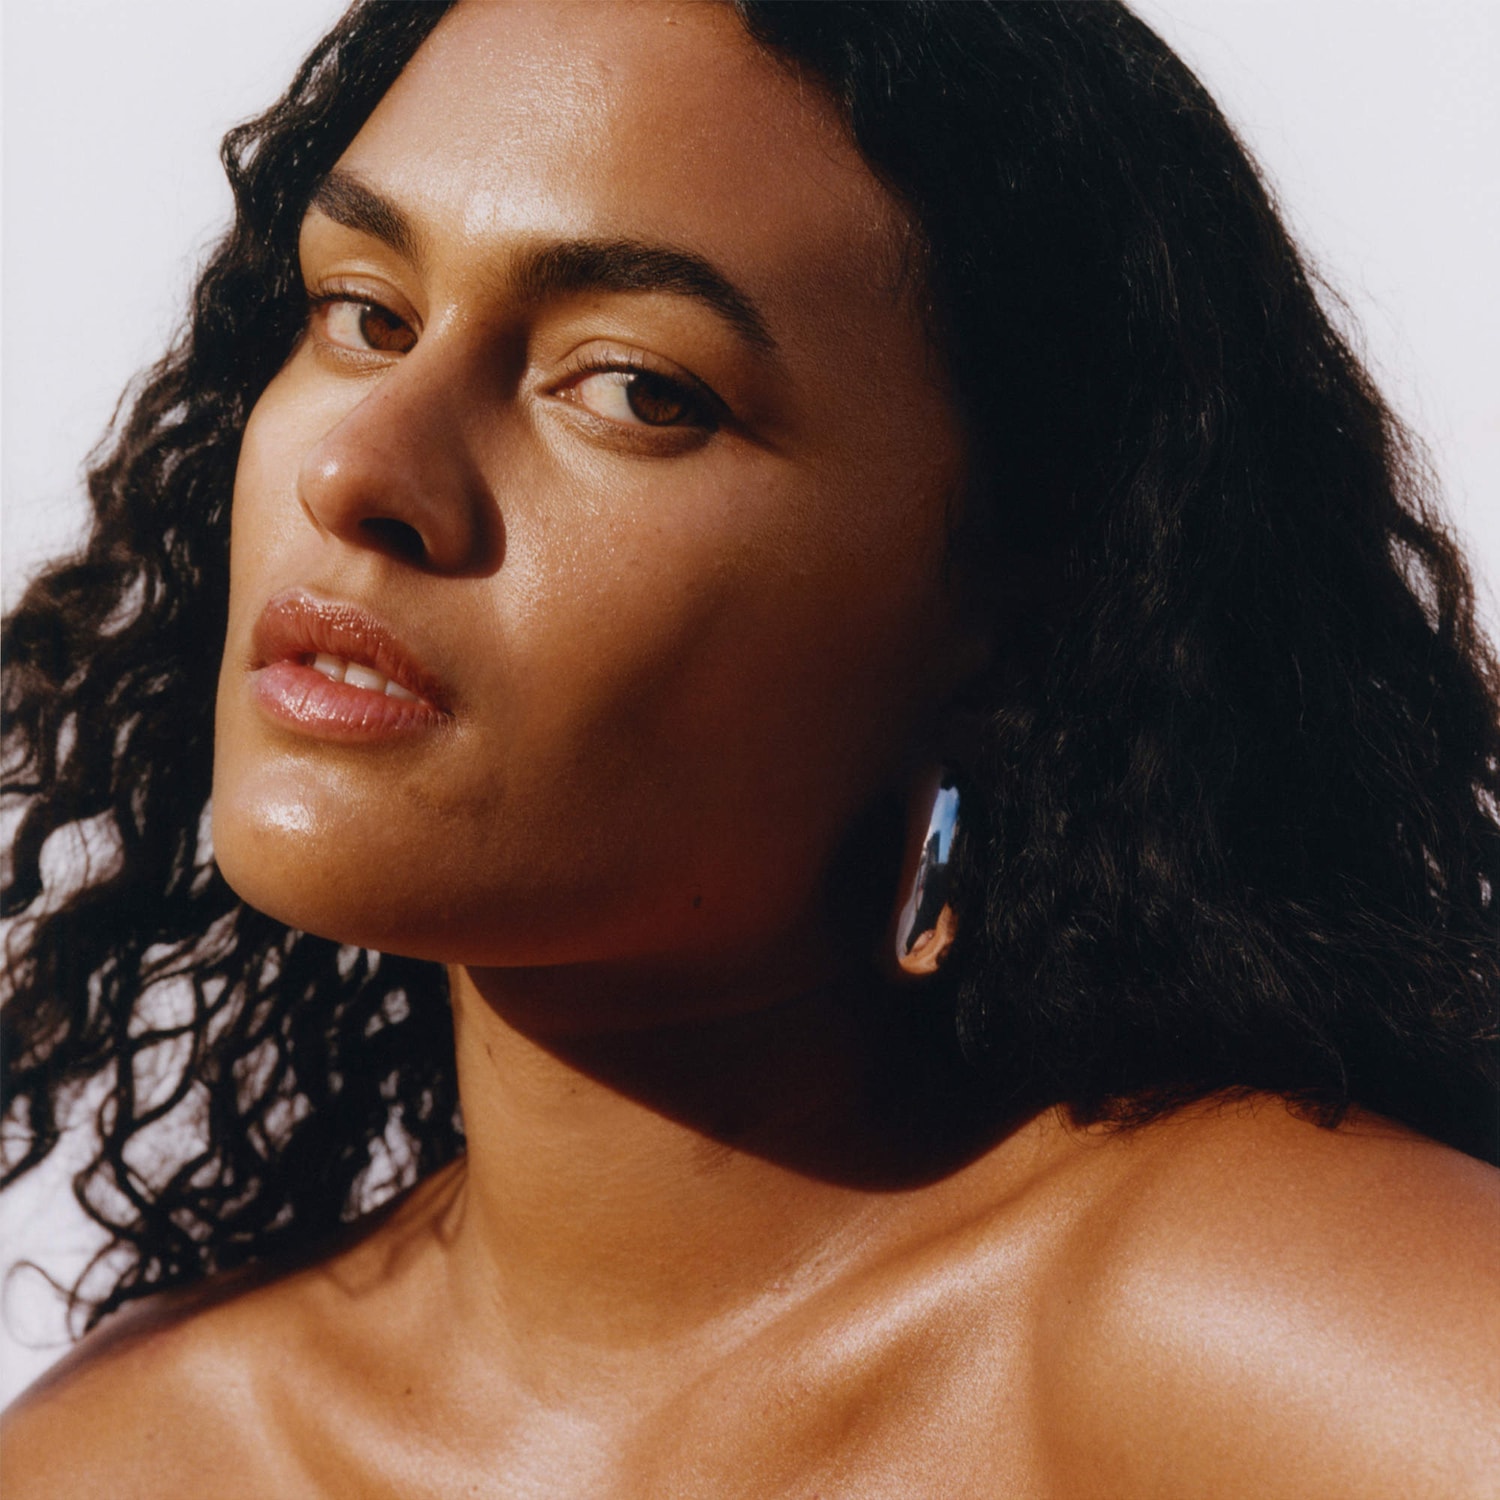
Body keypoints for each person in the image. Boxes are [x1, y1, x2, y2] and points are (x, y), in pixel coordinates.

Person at [3, 0, 1497, 1492]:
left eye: (638, 389)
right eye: (363, 315)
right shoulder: (122, 1461)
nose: (356, 468)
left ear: (1019, 612)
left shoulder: (1272, 1336)